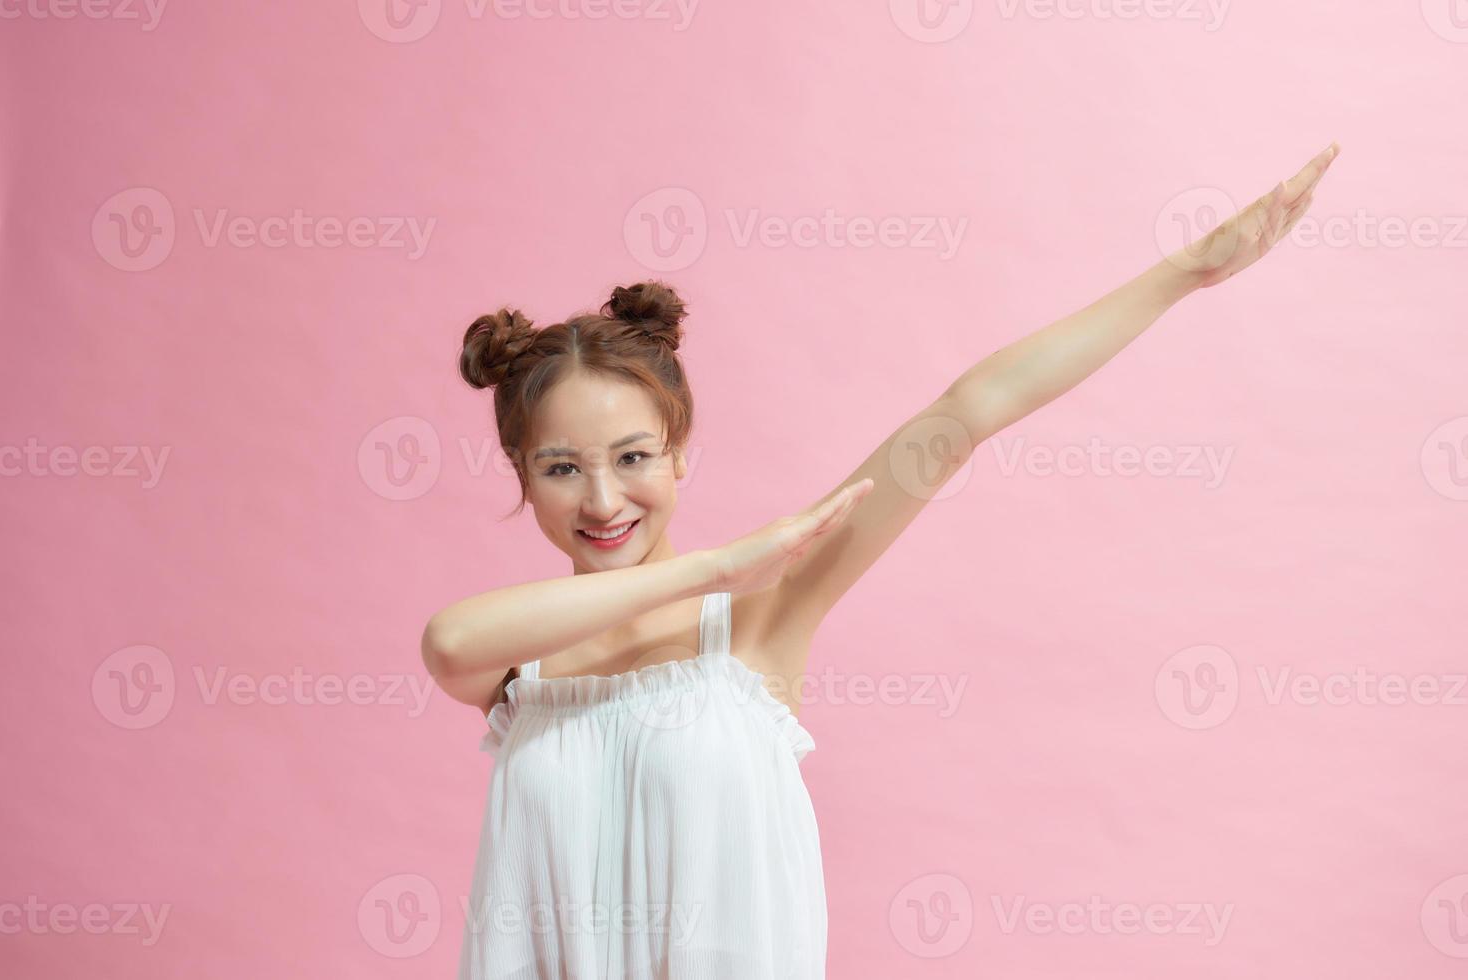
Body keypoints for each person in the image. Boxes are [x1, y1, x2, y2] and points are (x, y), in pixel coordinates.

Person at [424, 142, 1340, 979]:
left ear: (679, 455)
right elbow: (447, 638)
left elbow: (964, 412)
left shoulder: (758, 618)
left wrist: (1183, 274)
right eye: (561, 468)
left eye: (632, 458)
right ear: (522, 474)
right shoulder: (518, 661)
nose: (601, 501)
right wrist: (712, 565)